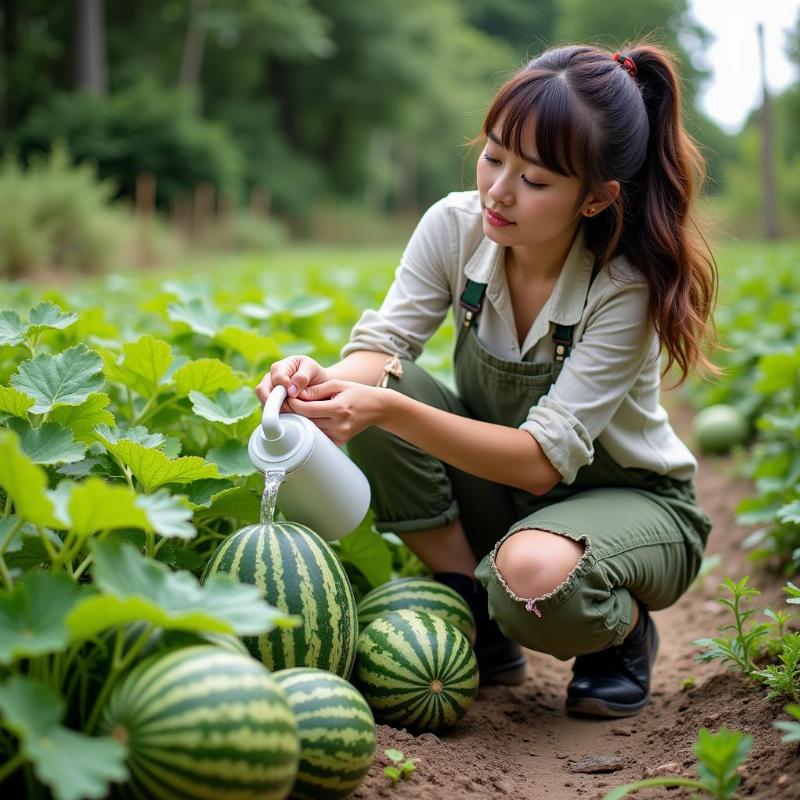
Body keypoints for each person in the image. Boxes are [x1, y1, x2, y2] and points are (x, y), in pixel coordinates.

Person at [255, 40, 720, 719]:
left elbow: (539, 463)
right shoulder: (455, 226)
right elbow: (383, 346)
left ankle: (619, 635)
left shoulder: (625, 288)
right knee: (390, 382)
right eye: (494, 156)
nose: (499, 190)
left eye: (535, 181)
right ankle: (476, 610)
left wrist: (382, 408)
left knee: (533, 576)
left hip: (631, 502)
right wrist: (313, 384)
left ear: (594, 199)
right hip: (507, 492)